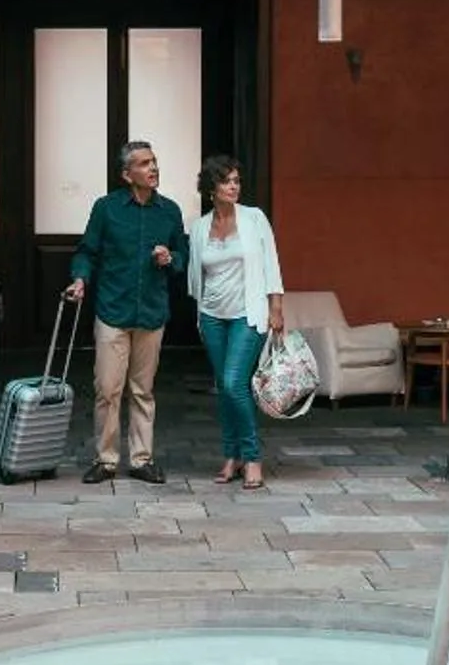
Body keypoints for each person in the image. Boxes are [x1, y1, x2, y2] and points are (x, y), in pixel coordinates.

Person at [63, 140, 185, 483]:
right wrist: (80, 280)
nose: (153, 168)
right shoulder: (106, 208)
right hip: (112, 310)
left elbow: (184, 256)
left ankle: (142, 459)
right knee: (107, 388)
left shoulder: (170, 211)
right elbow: (87, 251)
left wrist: (171, 258)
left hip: (151, 311)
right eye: (144, 164)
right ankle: (105, 459)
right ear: (126, 174)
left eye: (154, 161)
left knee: (143, 391)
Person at [188, 154, 287, 490]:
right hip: (213, 317)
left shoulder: (254, 218)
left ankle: (252, 456)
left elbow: (271, 262)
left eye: (236, 181)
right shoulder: (200, 227)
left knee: (233, 383)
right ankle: (232, 455)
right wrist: (201, 313)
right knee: (225, 389)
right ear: (211, 189)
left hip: (248, 314)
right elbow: (194, 278)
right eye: (226, 181)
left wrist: (276, 306)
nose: (234, 186)